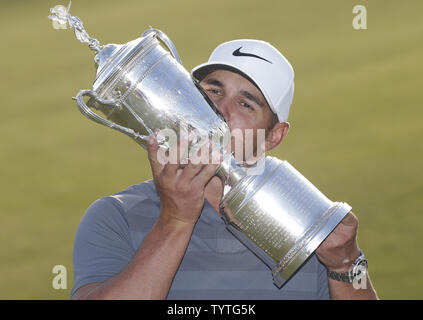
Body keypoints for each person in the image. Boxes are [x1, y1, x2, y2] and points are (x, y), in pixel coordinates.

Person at [70, 39, 378, 300]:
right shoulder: (116, 216)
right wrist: (175, 220)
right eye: (213, 92)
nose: (221, 109)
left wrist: (348, 264)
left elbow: (353, 275)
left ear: (274, 136)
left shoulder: (307, 223)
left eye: (246, 104)